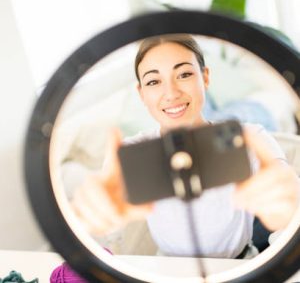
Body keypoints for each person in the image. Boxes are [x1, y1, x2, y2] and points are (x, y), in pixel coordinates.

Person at [71, 34, 300, 259]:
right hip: (170, 272)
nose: (171, 93)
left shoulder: (250, 139)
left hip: (242, 267)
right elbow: (108, 225)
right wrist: (98, 216)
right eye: (153, 81)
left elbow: (288, 200)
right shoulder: (130, 154)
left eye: (184, 74)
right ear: (141, 93)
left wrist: (289, 214)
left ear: (205, 77)